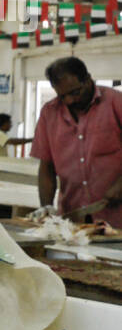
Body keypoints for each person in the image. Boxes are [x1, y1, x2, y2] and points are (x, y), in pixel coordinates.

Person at [31, 57, 122, 227]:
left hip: (116, 217)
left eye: (75, 92)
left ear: (88, 79)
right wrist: (46, 207)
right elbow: (46, 166)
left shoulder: (115, 102)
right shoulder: (49, 113)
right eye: (62, 95)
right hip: (72, 217)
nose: (69, 101)